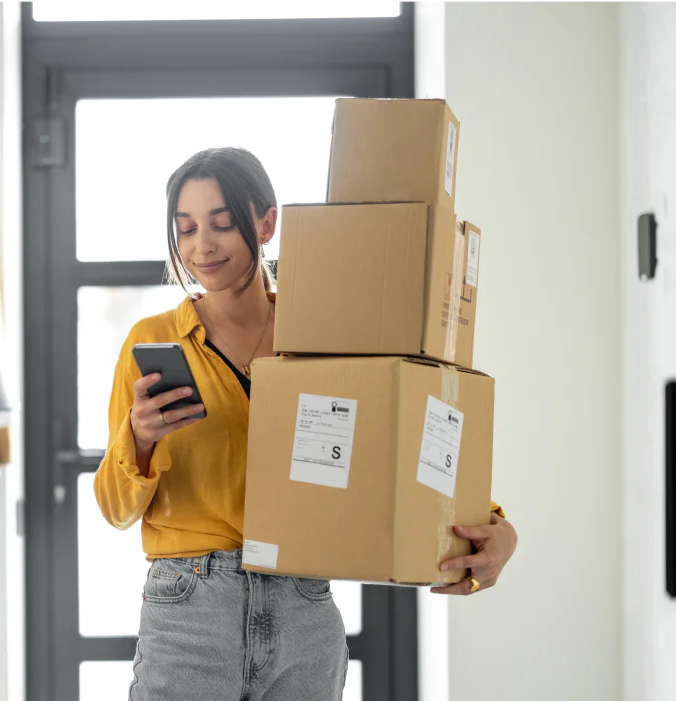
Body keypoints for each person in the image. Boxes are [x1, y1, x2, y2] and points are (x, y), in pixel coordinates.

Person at [93, 147, 518, 700]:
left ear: (268, 222)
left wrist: (496, 526)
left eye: (222, 224)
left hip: (304, 610)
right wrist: (142, 438)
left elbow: (400, 443)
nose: (202, 246)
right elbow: (114, 508)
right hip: (190, 609)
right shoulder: (153, 342)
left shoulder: (325, 336)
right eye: (187, 227)